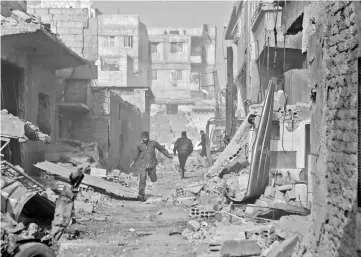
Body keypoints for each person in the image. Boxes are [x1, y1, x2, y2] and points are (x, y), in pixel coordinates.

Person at [130, 131, 173, 202]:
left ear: (148, 137)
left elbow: (161, 148)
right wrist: (133, 162)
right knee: (142, 179)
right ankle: (141, 195)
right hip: (143, 165)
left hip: (152, 164)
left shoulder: (153, 143)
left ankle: (151, 174)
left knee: (154, 179)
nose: (145, 139)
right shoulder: (139, 145)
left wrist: (167, 154)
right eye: (143, 138)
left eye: (146, 137)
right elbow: (136, 154)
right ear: (142, 138)